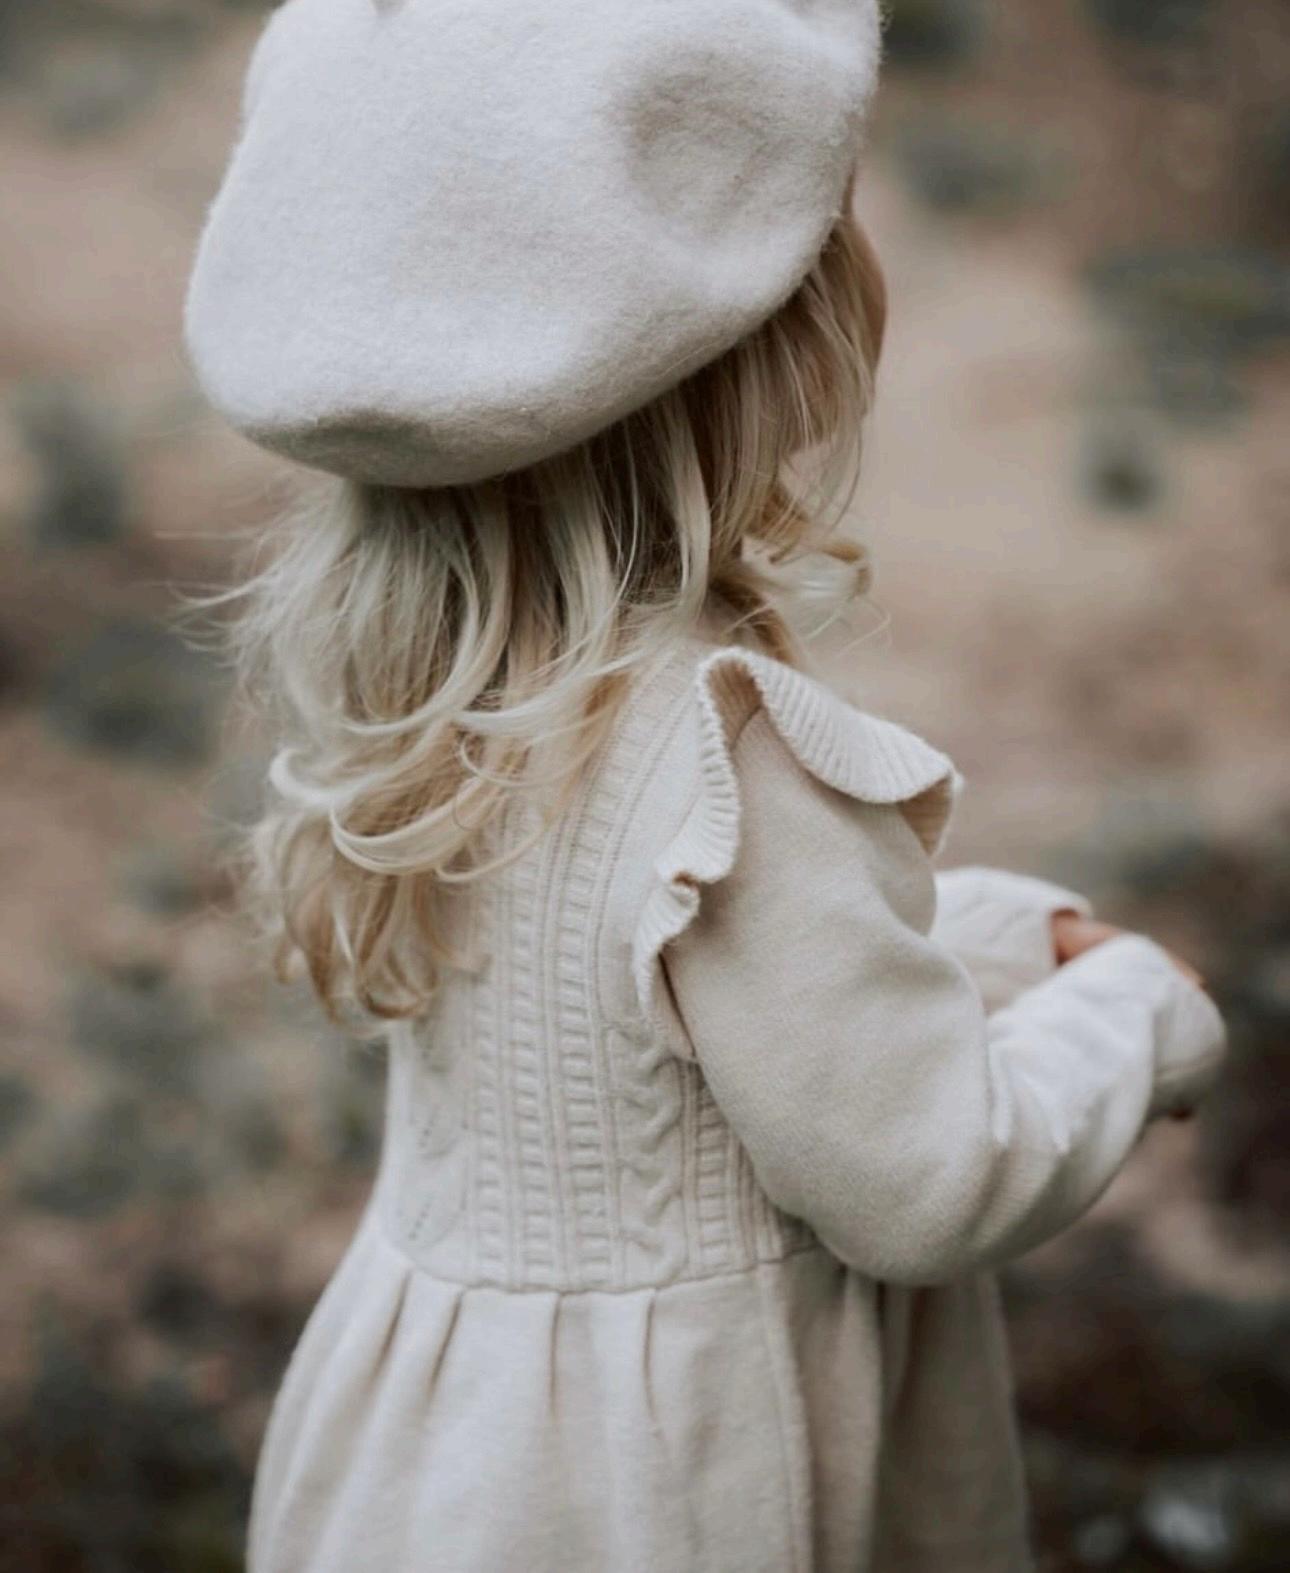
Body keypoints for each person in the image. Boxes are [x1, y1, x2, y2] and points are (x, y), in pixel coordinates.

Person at [185, 1, 1227, 1568]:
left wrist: (1011, 942)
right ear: (750, 359)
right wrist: (1131, 1008)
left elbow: (670, 1016)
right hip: (674, 1484)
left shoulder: (429, 694)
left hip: (447, 1460)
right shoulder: (717, 756)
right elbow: (928, 1176)